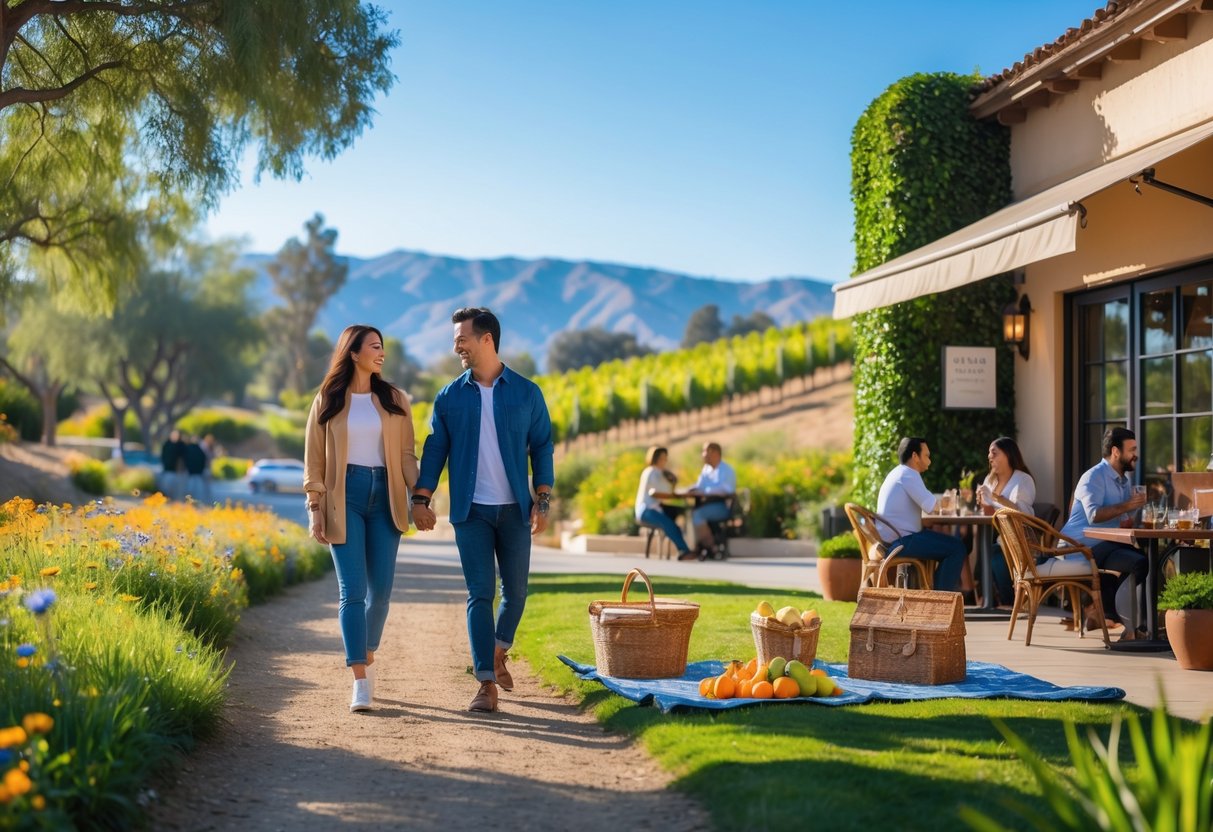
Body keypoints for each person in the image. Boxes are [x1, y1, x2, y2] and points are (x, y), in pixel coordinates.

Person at [411, 307, 553, 714]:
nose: (456, 345)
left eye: (462, 338)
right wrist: (422, 497)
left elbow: (542, 445)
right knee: (480, 594)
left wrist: (542, 498)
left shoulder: (527, 392)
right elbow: (435, 449)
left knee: (517, 592)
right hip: (471, 513)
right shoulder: (450, 396)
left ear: (486, 339)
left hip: (514, 511)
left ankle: (496, 651)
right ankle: (485, 684)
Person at [304, 324, 419, 713]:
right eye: (374, 346)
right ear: (353, 353)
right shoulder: (328, 400)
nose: (381, 351)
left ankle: (365, 649)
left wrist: (421, 496)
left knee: (381, 594)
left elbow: (406, 457)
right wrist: (315, 510)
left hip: (385, 496)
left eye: (382, 346)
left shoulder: (395, 399)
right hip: (344, 496)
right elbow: (314, 461)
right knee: (351, 591)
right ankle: (360, 681)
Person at [1058, 426, 1148, 637]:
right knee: (1138, 562)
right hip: (1078, 548)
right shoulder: (1094, 477)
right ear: (1116, 451)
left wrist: (1133, 517)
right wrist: (1127, 506)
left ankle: (1114, 617)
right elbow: (1094, 516)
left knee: (1143, 558)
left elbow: (1122, 521)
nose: (1136, 454)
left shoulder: (1124, 481)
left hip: (1103, 545)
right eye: (1132, 449)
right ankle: (1133, 628)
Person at [875, 437, 966, 592]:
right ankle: (940, 602)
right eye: (927, 456)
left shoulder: (897, 472)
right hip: (901, 542)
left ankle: (936, 597)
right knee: (957, 548)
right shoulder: (909, 474)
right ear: (915, 456)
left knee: (946, 543)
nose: (929, 461)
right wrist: (948, 500)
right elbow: (932, 507)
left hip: (892, 540)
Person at [975, 436, 1036, 606]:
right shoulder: (990, 480)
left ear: (1008, 454)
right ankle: (988, 596)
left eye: (994, 453)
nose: (989, 457)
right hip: (997, 530)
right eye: (989, 453)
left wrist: (994, 497)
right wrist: (982, 502)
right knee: (979, 542)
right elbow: (988, 512)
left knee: (993, 550)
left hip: (1020, 534)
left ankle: (1006, 600)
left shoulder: (1022, 480)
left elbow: (1020, 512)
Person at [634, 446, 693, 559]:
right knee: (669, 524)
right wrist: (674, 495)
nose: (664, 461)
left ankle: (686, 549)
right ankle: (684, 551)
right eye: (662, 458)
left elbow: (667, 490)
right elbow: (655, 493)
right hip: (647, 510)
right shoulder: (651, 472)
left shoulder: (660, 473)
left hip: (655, 508)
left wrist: (673, 484)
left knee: (677, 518)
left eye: (665, 458)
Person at [686, 441, 736, 560]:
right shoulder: (706, 469)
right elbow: (700, 485)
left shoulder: (726, 470)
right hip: (707, 504)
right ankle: (702, 546)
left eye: (706, 451)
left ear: (715, 453)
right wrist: (691, 489)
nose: (703, 454)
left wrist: (705, 491)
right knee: (691, 513)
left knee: (697, 515)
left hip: (722, 507)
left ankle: (711, 547)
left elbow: (726, 490)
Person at [159, 430, 186, 500]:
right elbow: (163, 457)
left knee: (177, 492)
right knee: (166, 489)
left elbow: (183, 459)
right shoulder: (167, 445)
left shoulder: (181, 446)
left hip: (178, 473)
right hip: (168, 471)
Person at [181, 435, 208, 501]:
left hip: (190, 473)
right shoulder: (200, 450)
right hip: (197, 474)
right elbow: (203, 460)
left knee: (189, 491)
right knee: (198, 492)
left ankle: (189, 504)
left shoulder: (188, 449)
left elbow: (184, 460)